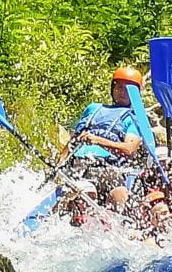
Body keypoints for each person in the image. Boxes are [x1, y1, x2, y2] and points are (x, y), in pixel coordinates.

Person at [61, 66, 145, 212]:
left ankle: (119, 222)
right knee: (78, 190)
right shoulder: (93, 108)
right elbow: (73, 141)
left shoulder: (134, 119)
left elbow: (129, 149)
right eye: (118, 87)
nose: (121, 91)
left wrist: (98, 140)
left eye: (127, 89)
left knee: (119, 193)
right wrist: (59, 164)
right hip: (77, 164)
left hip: (107, 169)